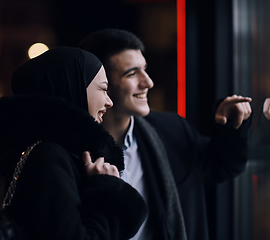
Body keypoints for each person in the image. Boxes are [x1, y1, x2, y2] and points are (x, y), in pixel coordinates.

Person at [79, 29, 253, 240]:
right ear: (101, 83)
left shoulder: (171, 129)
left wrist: (231, 125)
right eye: (132, 73)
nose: (148, 82)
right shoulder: (73, 151)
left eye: (145, 70)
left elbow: (222, 165)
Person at [0, 46, 147, 239]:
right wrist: (105, 190)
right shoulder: (49, 159)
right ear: (74, 87)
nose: (109, 101)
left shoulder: (55, 153)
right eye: (103, 89)